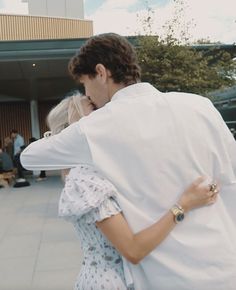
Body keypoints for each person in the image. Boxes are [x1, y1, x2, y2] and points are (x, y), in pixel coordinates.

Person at [21, 33, 236, 290]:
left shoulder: (97, 127)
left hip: (166, 276)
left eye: (84, 84)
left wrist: (77, 128)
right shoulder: (200, 105)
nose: (86, 94)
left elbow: (29, 157)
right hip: (224, 263)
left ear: (101, 72)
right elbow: (230, 179)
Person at [45, 94, 218, 290]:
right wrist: (184, 205)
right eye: (94, 108)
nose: (105, 110)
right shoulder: (84, 178)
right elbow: (133, 250)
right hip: (110, 283)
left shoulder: (103, 167)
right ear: (76, 126)